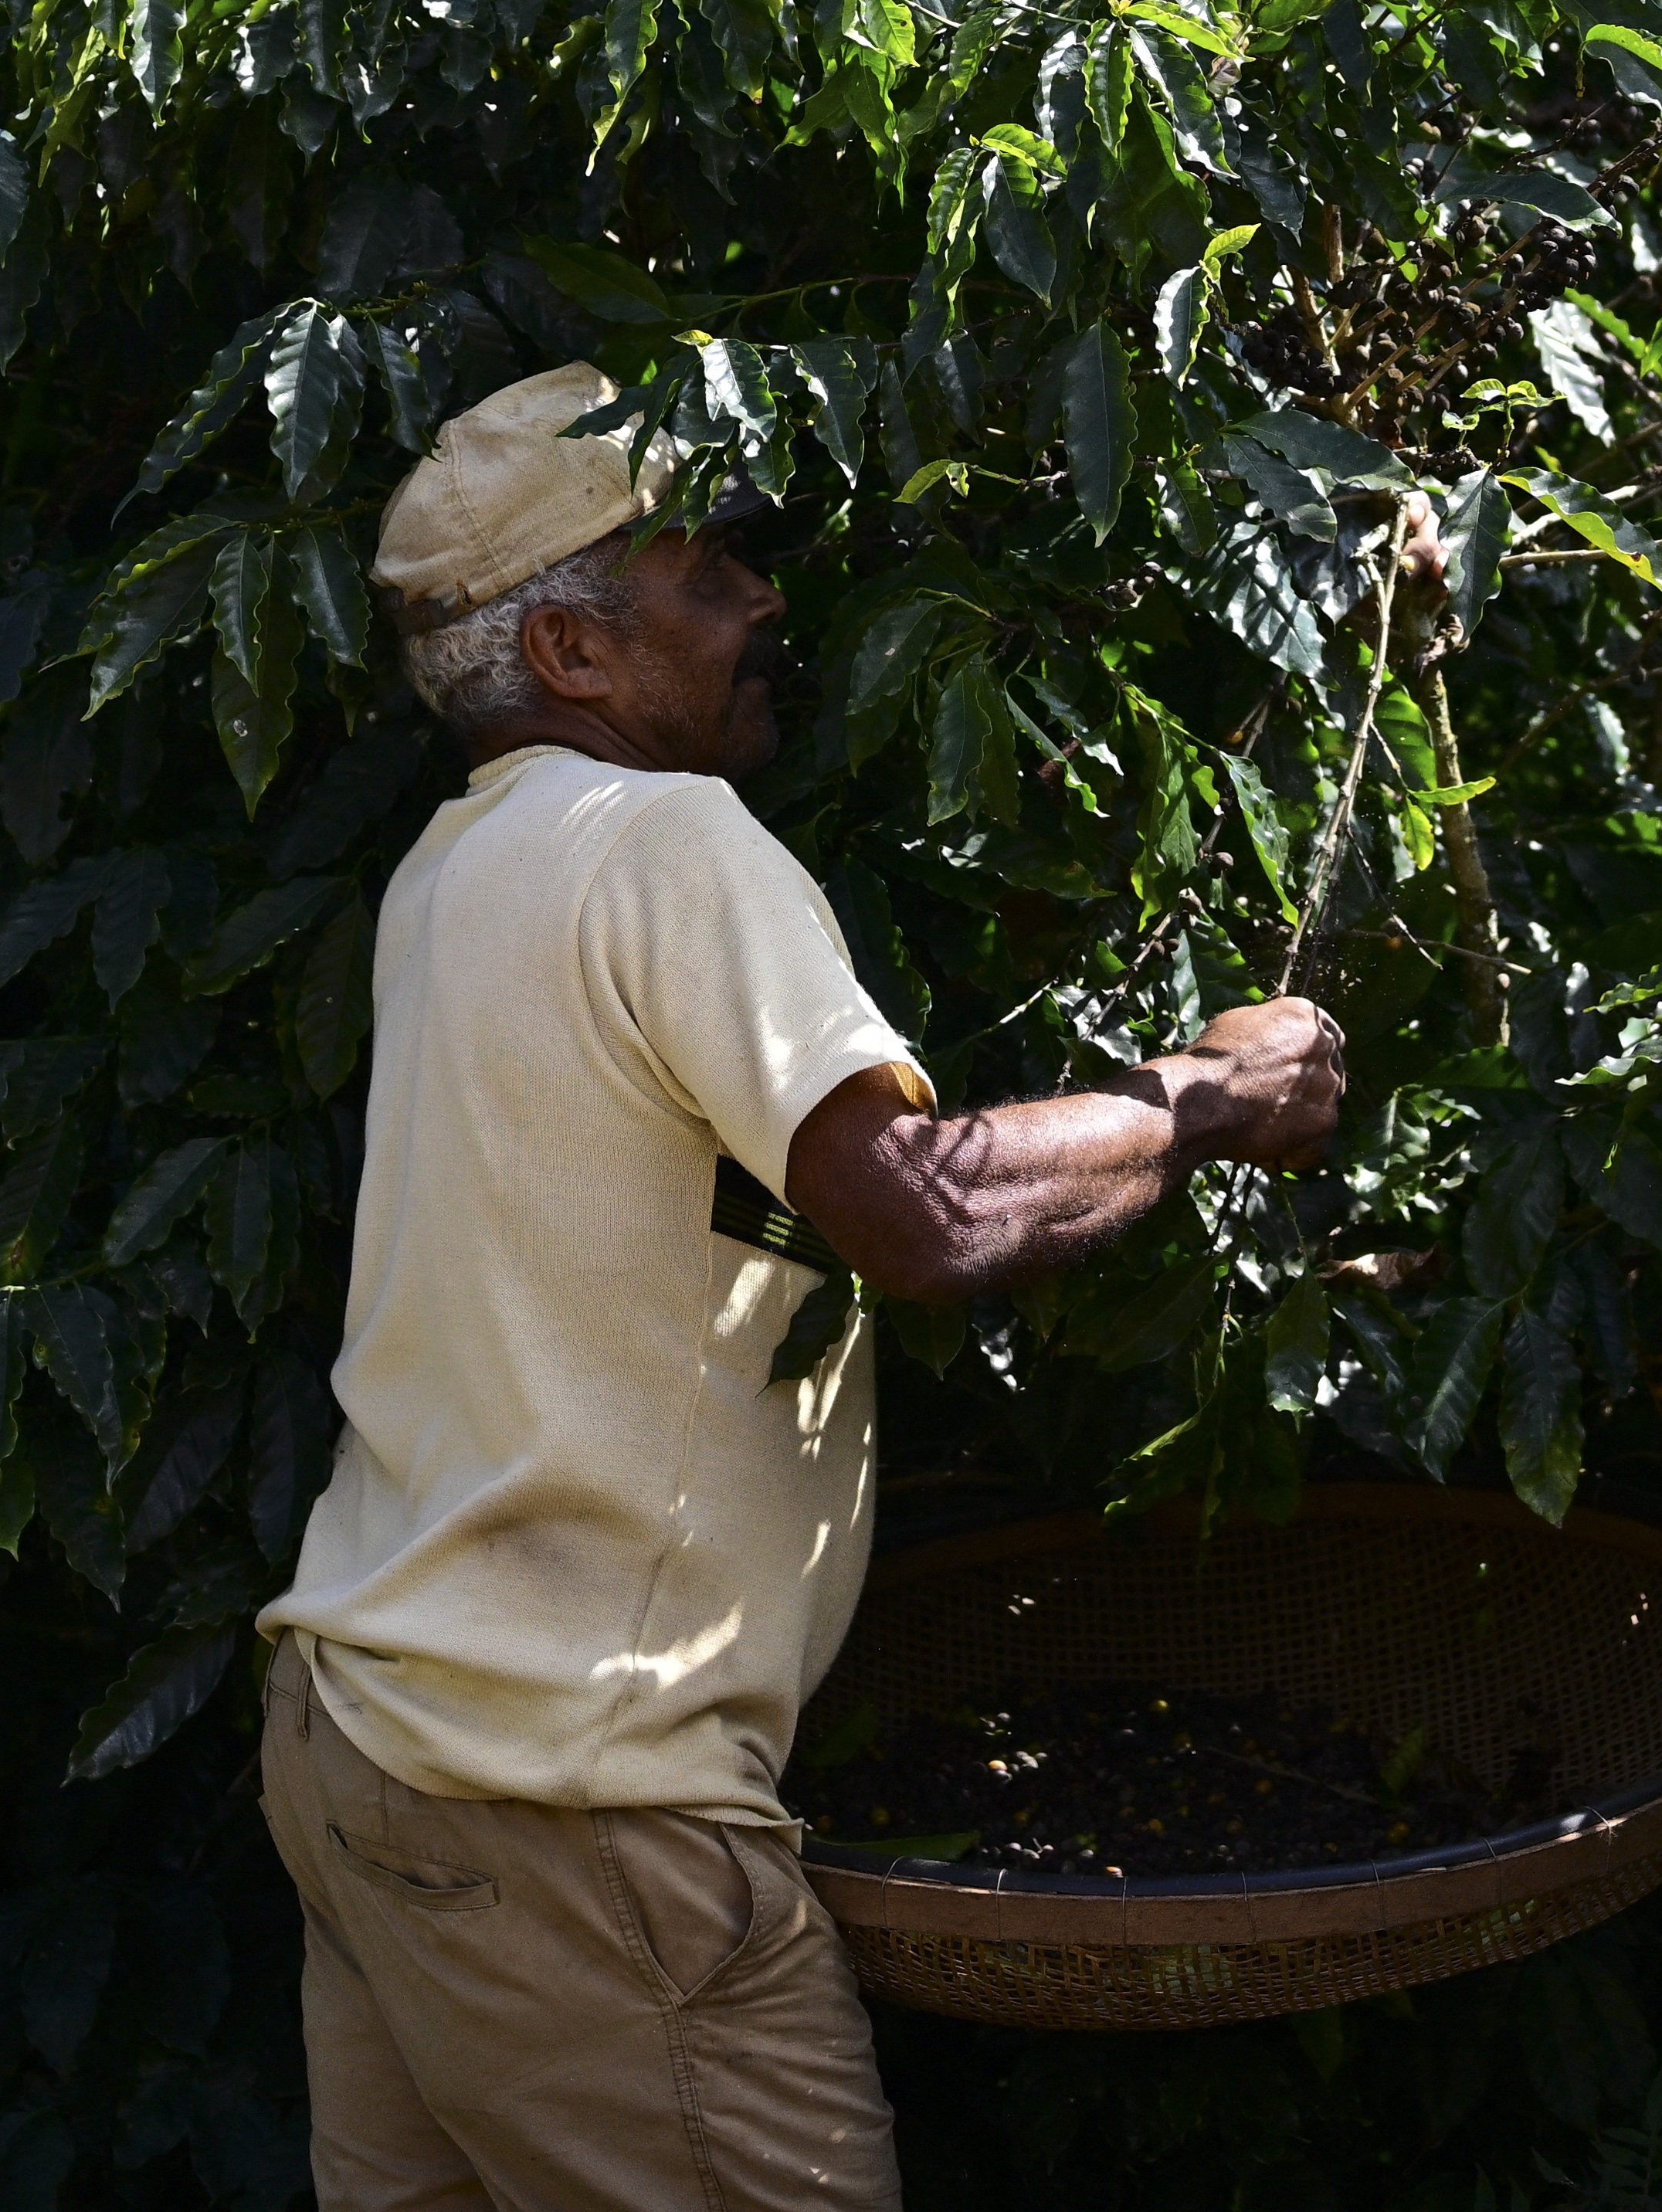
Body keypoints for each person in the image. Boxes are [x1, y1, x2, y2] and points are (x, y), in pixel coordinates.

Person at [256, 362, 1350, 2212]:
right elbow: (921, 1219)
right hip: (573, 1806)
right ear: (574, 651)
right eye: (713, 563)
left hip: (369, 1748)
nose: (769, 600)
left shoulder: (455, 873)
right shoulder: (662, 841)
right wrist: (1205, 1097)